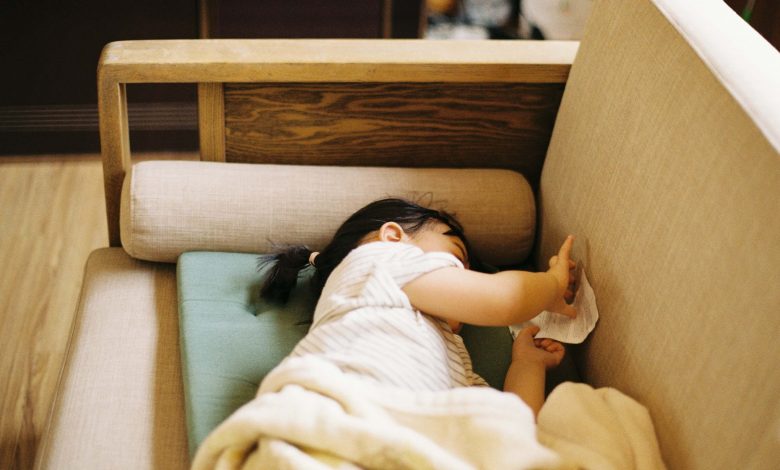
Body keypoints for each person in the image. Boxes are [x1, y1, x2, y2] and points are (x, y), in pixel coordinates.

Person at [259, 197, 576, 418]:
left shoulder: (456, 369)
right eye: (456, 259)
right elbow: (505, 298)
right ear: (393, 237)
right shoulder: (378, 264)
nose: (466, 278)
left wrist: (527, 365)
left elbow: (515, 431)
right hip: (337, 415)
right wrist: (552, 284)